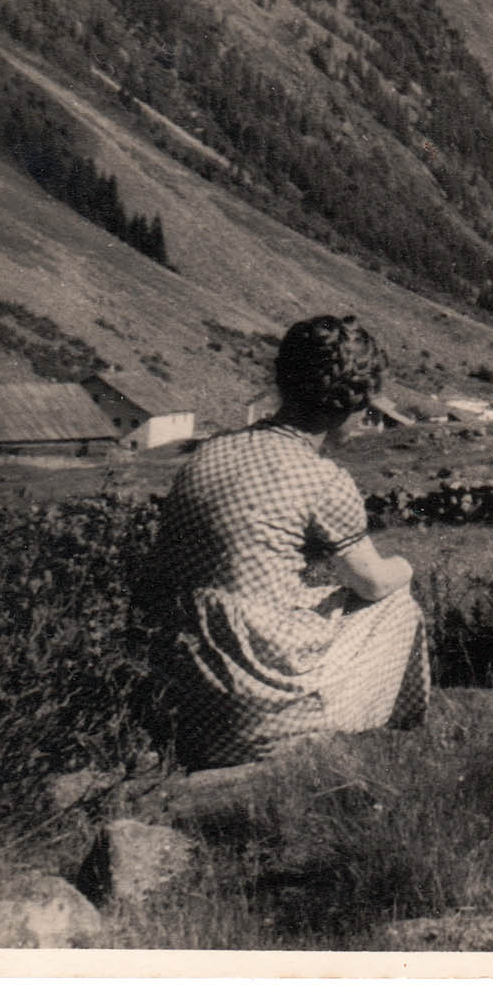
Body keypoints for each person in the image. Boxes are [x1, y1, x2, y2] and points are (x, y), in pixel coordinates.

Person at [137, 315, 429, 769]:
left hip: (186, 702)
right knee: (395, 602)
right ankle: (361, 727)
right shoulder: (322, 478)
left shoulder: (210, 453)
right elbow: (371, 583)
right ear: (347, 405)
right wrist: (405, 567)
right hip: (254, 719)